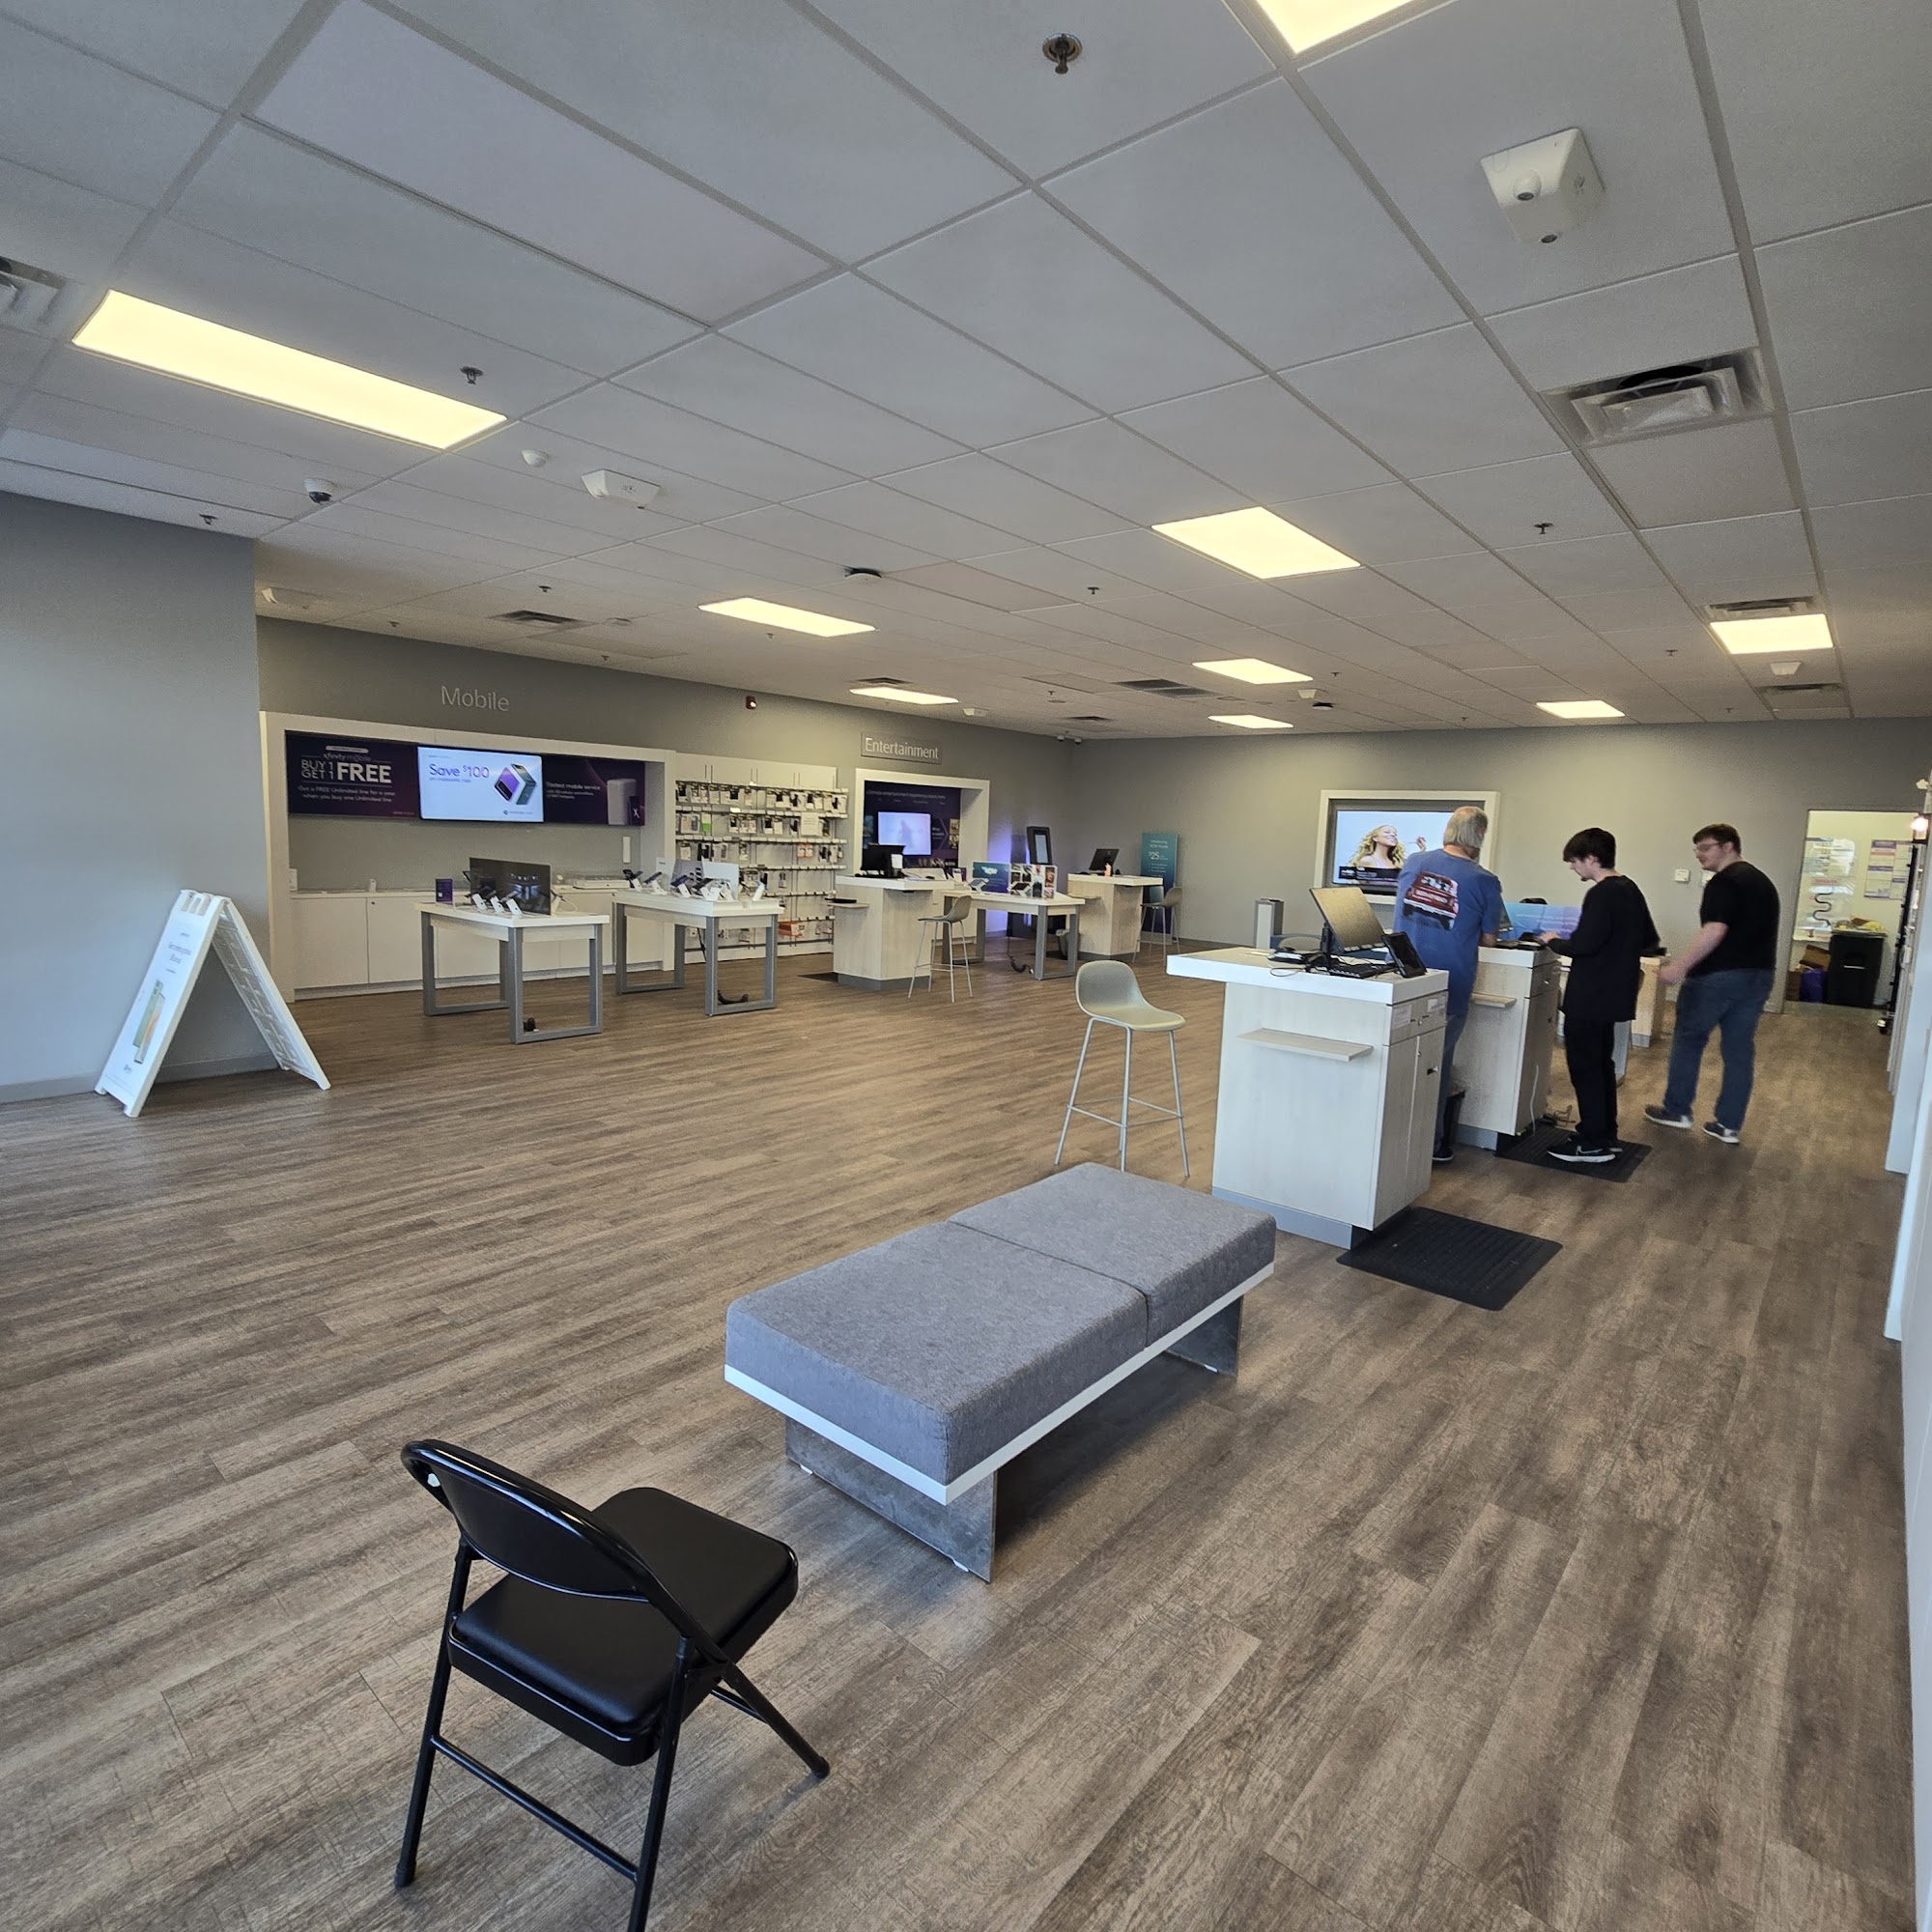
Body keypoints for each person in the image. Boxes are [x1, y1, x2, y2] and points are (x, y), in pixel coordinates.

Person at [1646, 822, 1781, 1144]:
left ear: (1728, 846)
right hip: (1759, 976)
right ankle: (1728, 1125)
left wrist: (1679, 967)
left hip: (1717, 978)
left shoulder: (1723, 882)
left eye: (1706, 848)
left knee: (1688, 1040)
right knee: (1739, 1050)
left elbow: (1714, 931)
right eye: (1697, 849)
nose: (1699, 855)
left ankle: (1677, 1110)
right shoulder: (1763, 882)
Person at [1539, 828, 1660, 1163]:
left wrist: (1552, 940)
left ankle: (1591, 1141)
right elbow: (1649, 940)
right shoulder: (1630, 889)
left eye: (1575, 861)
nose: (1572, 867)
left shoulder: (1601, 894)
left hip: (1590, 995)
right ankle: (1606, 1135)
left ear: (1592, 858)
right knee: (1602, 1065)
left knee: (1585, 1068)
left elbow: (1585, 945)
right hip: (1614, 994)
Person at [1393, 806, 1504, 1164]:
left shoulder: (1413, 862)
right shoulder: (1484, 880)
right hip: (1449, 984)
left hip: (1403, 978)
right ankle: (1431, 1144)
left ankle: (1393, 1144)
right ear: (1479, 836)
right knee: (1434, 1066)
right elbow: (1490, 938)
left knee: (1400, 1060)